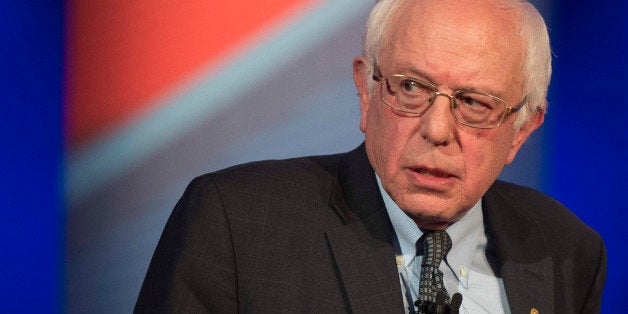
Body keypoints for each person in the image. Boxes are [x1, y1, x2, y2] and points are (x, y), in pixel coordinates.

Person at [135, 0, 606, 313]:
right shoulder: (238, 223)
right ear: (365, 92)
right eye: (411, 88)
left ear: (521, 130)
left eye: (475, 103)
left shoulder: (566, 251)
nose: (437, 129)